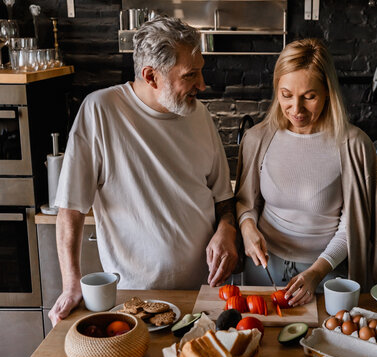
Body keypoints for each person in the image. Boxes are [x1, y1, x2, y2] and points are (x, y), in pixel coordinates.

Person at [49, 16, 238, 326]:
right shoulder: (100, 111)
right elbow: (71, 208)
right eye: (191, 75)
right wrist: (71, 284)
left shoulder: (198, 113)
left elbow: (222, 197)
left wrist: (226, 230)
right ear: (151, 76)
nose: (202, 85)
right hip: (135, 301)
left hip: (204, 294)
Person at [235, 38, 377, 307]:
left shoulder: (354, 146)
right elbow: (246, 201)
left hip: (328, 273)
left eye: (309, 97)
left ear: (328, 91)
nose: (296, 109)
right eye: (286, 95)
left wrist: (316, 272)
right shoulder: (256, 139)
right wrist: (247, 228)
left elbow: (354, 226)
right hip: (263, 267)